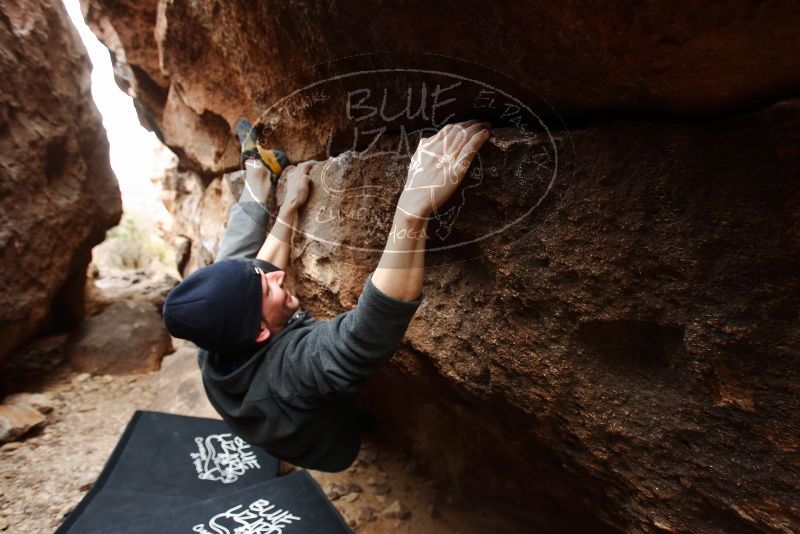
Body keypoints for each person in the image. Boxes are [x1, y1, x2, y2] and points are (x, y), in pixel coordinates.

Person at [162, 119, 492, 471]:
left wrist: (289, 207)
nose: (278, 275)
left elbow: (257, 274)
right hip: (331, 447)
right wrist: (411, 210)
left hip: (266, 398)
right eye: (267, 287)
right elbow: (363, 335)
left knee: (232, 264)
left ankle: (256, 180)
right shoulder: (288, 373)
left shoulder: (214, 336)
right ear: (260, 332)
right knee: (240, 273)